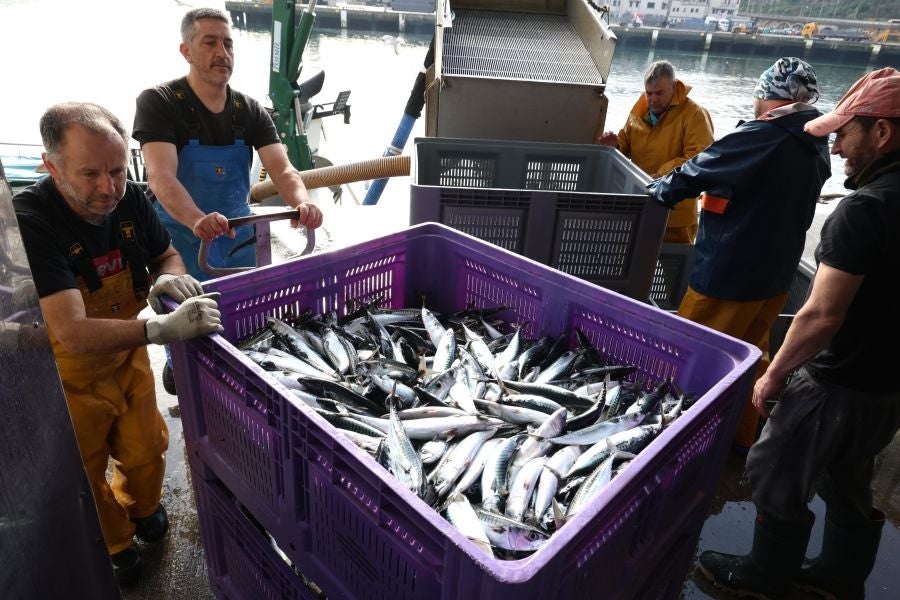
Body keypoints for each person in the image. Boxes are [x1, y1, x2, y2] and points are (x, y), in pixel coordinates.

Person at [696, 67, 900, 600]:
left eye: (845, 132)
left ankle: (765, 577)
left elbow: (820, 316)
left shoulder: (866, 210)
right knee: (850, 477)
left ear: (882, 133)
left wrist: (774, 377)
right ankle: (838, 576)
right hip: (886, 386)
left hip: (838, 380)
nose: (836, 147)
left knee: (775, 466)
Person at [13, 102, 224, 585]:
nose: (108, 188)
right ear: (51, 166)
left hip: (126, 354)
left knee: (147, 446)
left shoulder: (128, 201)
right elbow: (71, 331)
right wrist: (159, 330)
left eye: (116, 171)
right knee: (83, 471)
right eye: (89, 174)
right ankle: (113, 542)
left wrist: (167, 279)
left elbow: (167, 253)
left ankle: (142, 507)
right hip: (67, 372)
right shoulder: (33, 221)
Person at [132, 7, 323, 394]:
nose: (222, 52)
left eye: (228, 43)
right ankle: (181, 370)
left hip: (238, 234)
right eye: (210, 42)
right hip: (180, 237)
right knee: (187, 322)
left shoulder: (248, 110)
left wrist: (302, 203)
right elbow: (161, 176)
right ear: (186, 51)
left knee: (241, 321)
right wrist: (196, 219)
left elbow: (283, 169)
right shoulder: (160, 101)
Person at [646, 57, 831, 450]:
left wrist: (660, 190)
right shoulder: (816, 140)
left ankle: (675, 443)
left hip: (728, 275)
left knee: (694, 354)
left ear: (768, 95)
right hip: (774, 278)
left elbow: (702, 167)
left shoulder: (765, 133)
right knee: (750, 359)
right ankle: (738, 440)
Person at [596, 60, 714, 242]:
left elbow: (700, 157)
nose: (653, 99)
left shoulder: (694, 114)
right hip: (641, 204)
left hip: (676, 215)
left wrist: (661, 174)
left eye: (659, 93)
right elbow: (626, 141)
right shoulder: (640, 109)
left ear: (674, 86)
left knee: (673, 259)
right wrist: (615, 146)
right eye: (649, 93)